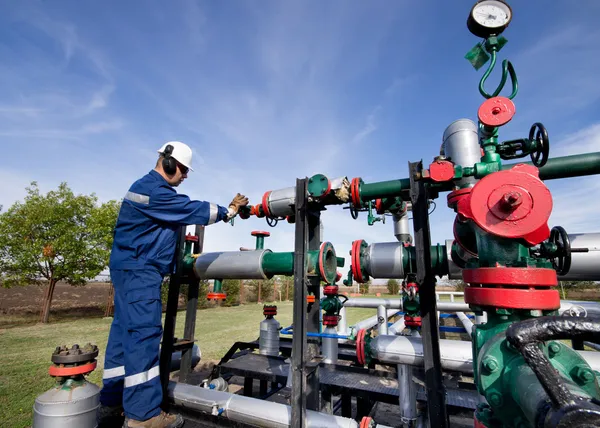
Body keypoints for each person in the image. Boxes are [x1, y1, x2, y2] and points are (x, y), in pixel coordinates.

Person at [97, 141, 249, 428]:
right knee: (143, 337)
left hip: (128, 269)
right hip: (142, 272)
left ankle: (113, 400)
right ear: (169, 164)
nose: (185, 176)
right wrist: (229, 210)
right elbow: (194, 210)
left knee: (123, 335)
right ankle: (143, 416)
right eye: (184, 170)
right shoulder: (156, 192)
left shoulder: (144, 186)